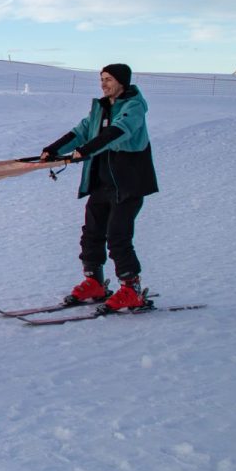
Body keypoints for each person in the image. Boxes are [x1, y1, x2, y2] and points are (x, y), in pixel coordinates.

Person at [40, 64, 159, 311]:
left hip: (127, 184)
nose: (103, 84)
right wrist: (53, 149)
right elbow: (81, 131)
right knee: (91, 233)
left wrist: (86, 150)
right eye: (102, 79)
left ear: (122, 81)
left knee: (118, 236)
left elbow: (118, 132)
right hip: (101, 183)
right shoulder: (101, 107)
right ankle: (94, 283)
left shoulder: (134, 107)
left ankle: (131, 290)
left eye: (109, 79)